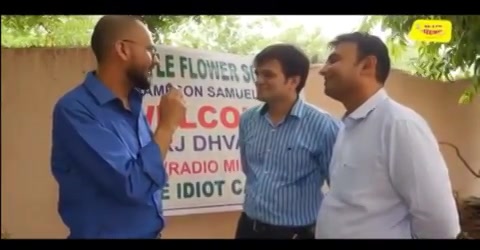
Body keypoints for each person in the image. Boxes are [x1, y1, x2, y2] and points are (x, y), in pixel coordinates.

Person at [50, 15, 186, 239]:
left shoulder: (133, 105)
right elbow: (133, 185)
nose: (156, 60)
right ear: (123, 49)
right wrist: (167, 126)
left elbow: (149, 173)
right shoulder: (76, 110)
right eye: (150, 50)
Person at [315, 32, 460, 239]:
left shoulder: (399, 125)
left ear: (367, 65)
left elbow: (440, 223)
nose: (323, 70)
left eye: (334, 60)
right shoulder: (347, 125)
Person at [235, 44, 340, 239]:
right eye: (257, 73)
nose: (258, 80)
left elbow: (339, 186)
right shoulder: (247, 120)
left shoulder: (324, 125)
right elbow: (249, 169)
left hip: (297, 233)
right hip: (249, 227)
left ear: (293, 81)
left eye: (268, 75)